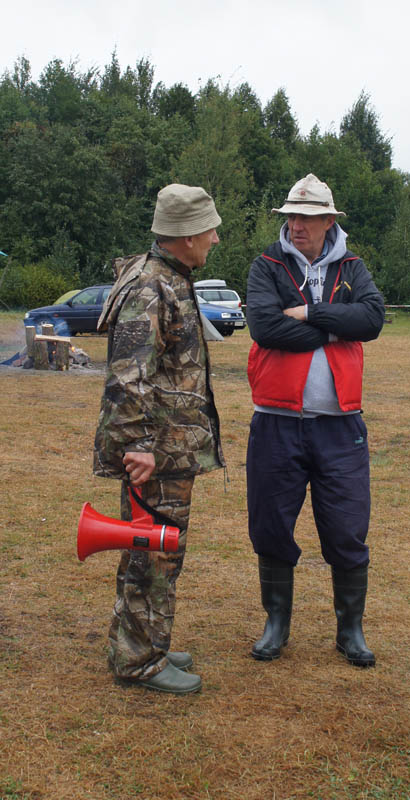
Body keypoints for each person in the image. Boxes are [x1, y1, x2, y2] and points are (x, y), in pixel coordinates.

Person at [245, 173, 384, 667]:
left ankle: (350, 631)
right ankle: (276, 624)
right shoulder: (266, 265)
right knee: (270, 525)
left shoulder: (353, 266)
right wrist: (334, 328)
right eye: (291, 217)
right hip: (275, 421)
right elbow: (265, 327)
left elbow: (371, 320)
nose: (296, 225)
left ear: (329, 221)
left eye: (306, 217)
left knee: (347, 527)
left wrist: (308, 314)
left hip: (340, 425)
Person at [93, 184, 225, 694]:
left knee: (153, 551)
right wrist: (138, 446)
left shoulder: (170, 278)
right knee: (153, 552)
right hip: (156, 454)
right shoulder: (152, 286)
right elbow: (129, 374)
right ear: (187, 235)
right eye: (210, 230)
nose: (215, 238)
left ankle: (142, 643)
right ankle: (140, 661)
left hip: (169, 450)